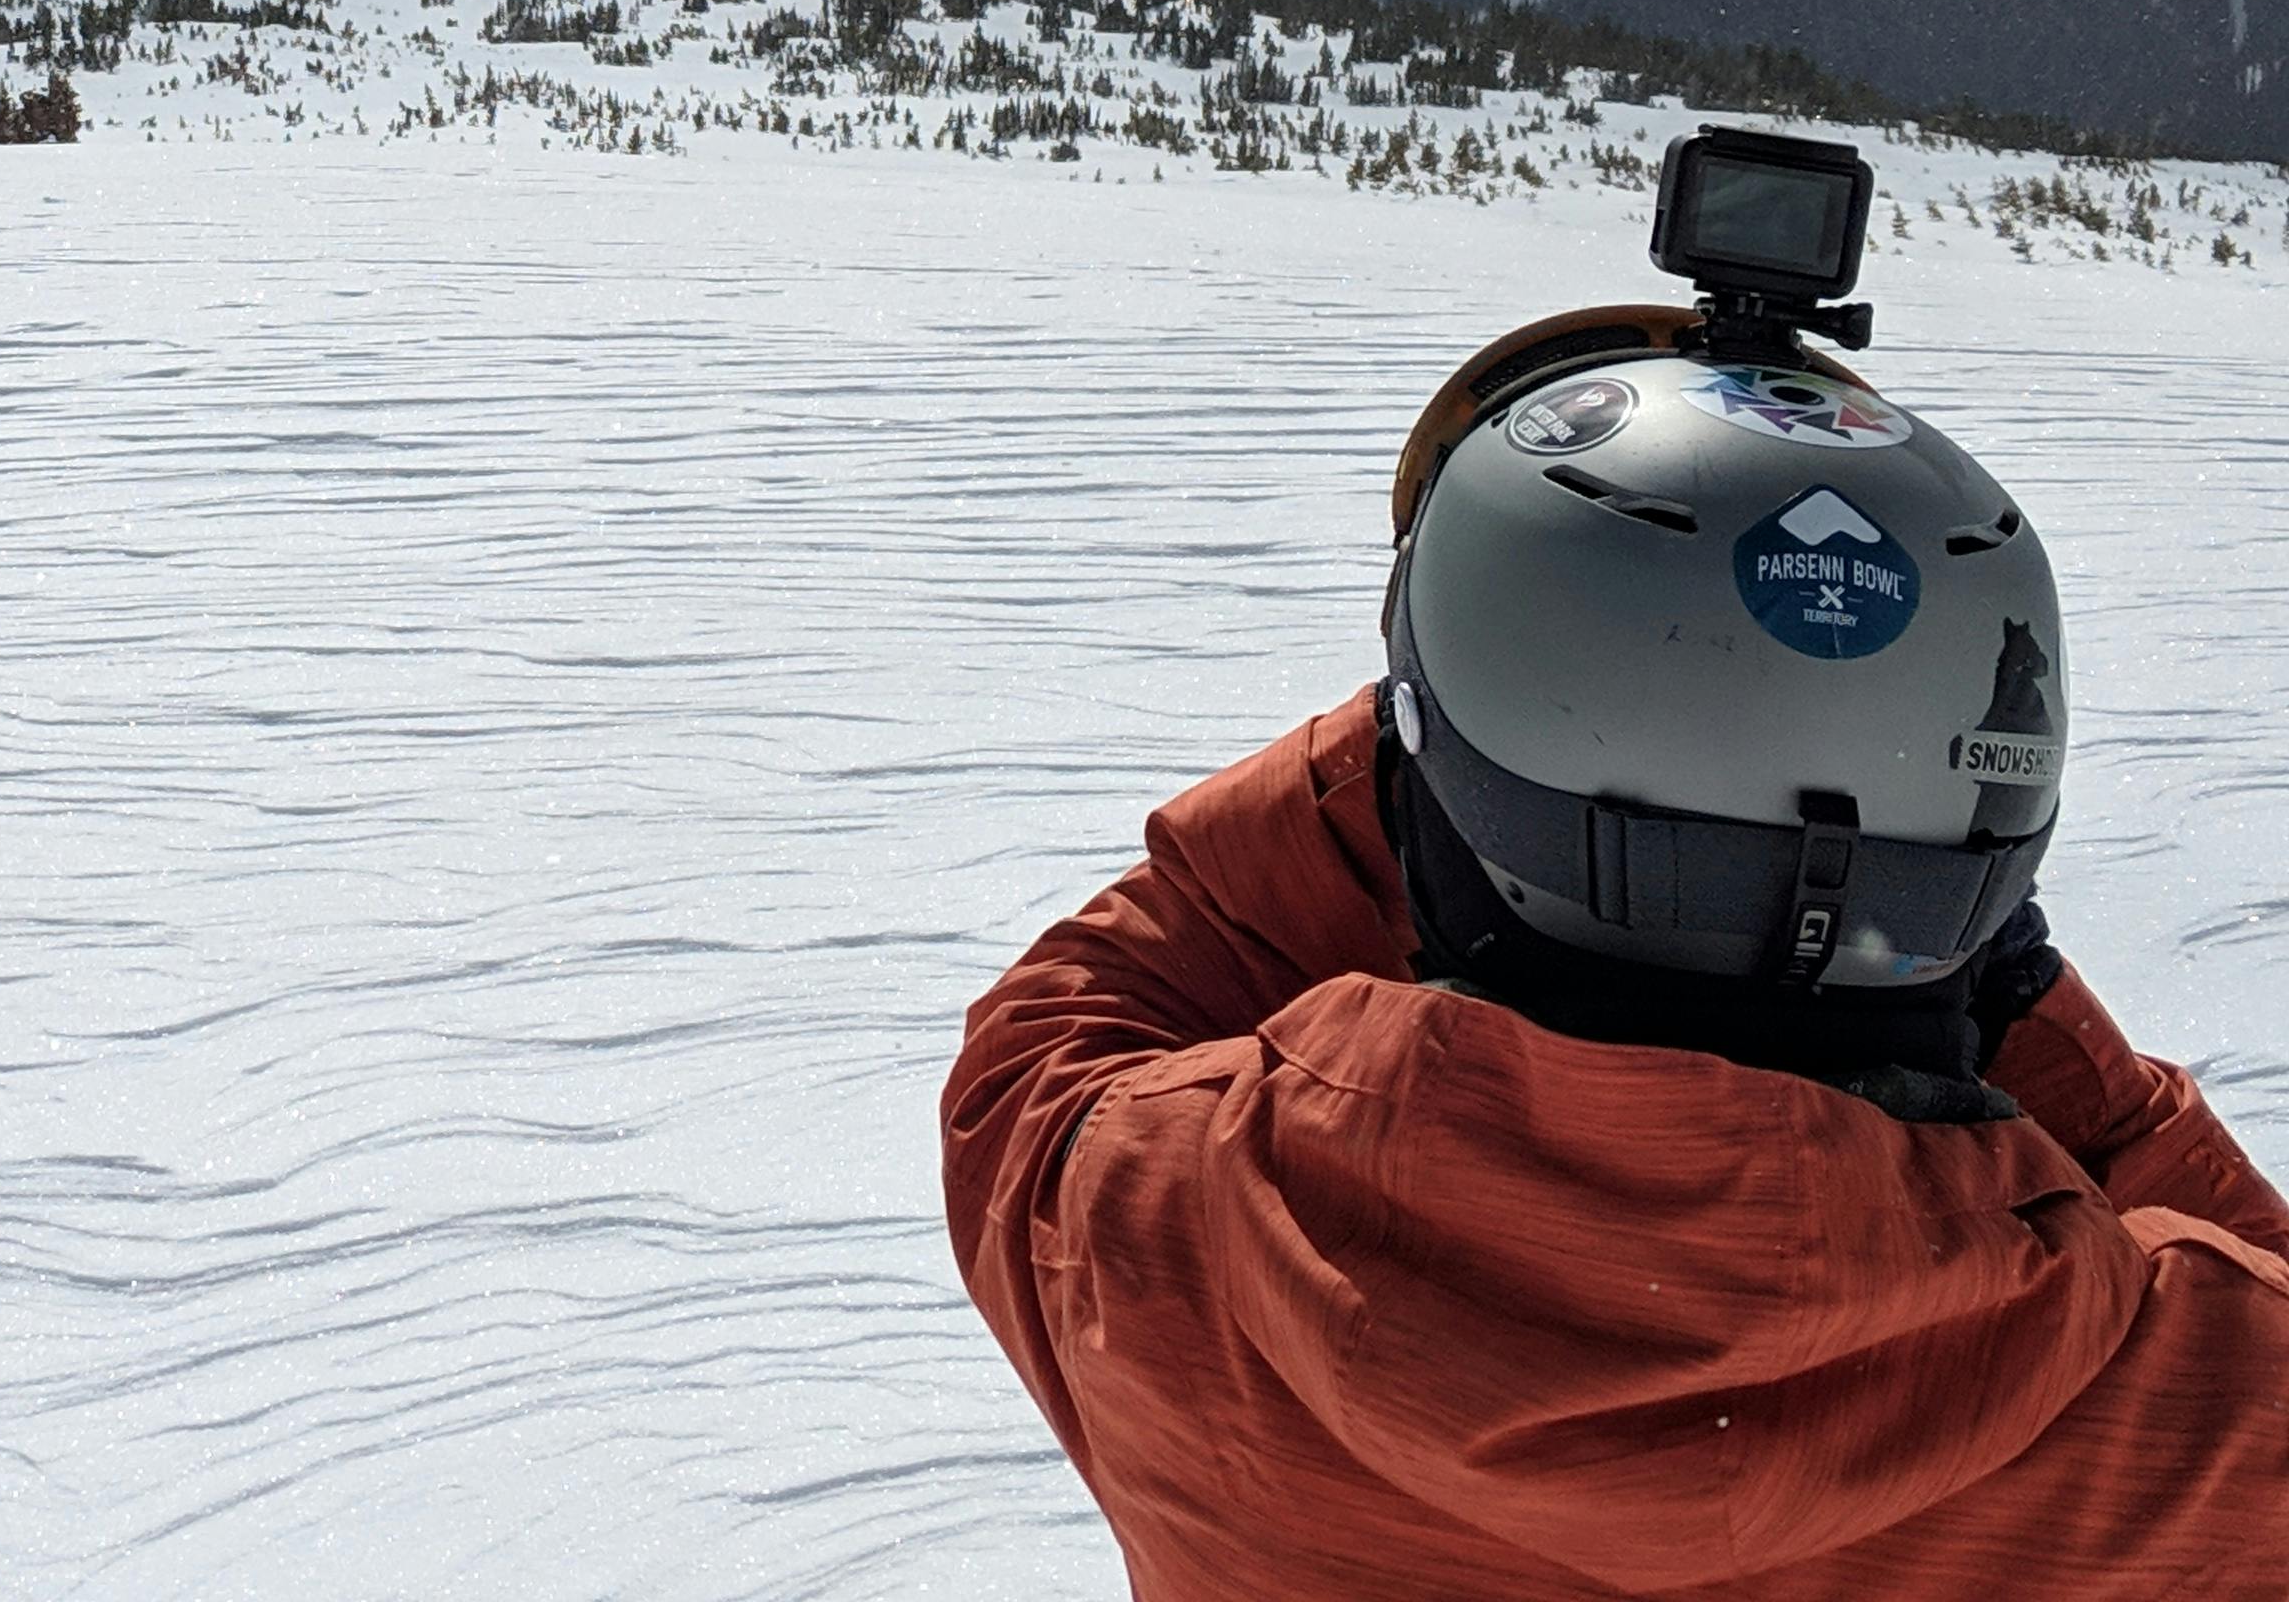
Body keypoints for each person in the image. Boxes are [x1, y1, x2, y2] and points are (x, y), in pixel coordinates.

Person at [944, 292, 2289, 1600]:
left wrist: (1415, 740)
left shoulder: (1170, 1233)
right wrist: (2014, 992)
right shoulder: (2218, 1409)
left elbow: (1054, 1030)